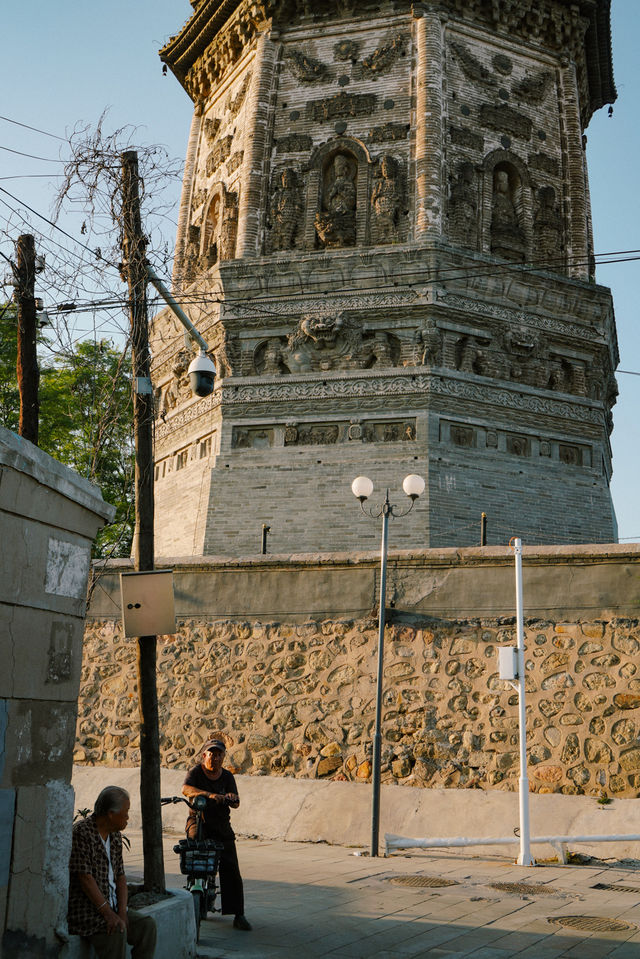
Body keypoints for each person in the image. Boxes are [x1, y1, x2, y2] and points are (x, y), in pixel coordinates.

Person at [68, 786, 156, 959]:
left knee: (147, 926)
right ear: (110, 813)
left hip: (114, 907)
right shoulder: (82, 833)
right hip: (88, 910)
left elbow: (121, 876)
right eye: (126, 812)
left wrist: (122, 912)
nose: (128, 818)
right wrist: (109, 914)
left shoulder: (115, 836)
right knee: (116, 931)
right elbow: (85, 878)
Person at [182, 738, 251, 931]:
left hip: (221, 825)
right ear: (204, 755)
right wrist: (208, 795)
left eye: (219, 754)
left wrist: (231, 798)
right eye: (212, 754)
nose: (215, 757)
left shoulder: (228, 776)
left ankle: (238, 914)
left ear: (223, 757)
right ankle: (195, 887)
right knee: (194, 852)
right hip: (199, 821)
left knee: (231, 867)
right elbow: (185, 789)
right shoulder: (195, 772)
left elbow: (236, 803)